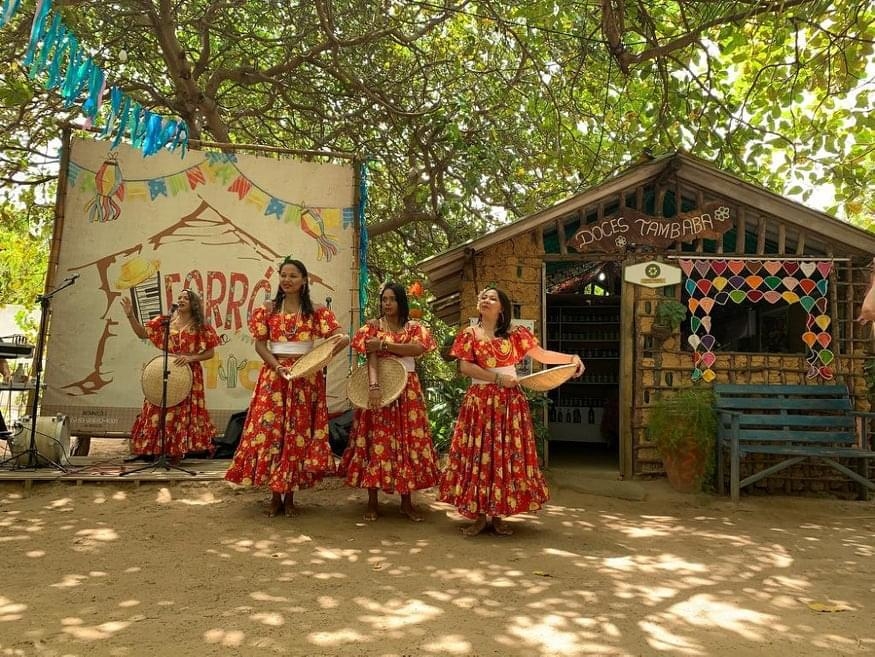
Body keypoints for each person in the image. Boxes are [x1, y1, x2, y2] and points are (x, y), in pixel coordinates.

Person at [438, 287, 585, 536]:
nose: (486, 300)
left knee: (503, 457)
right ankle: (479, 516)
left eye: (492, 298)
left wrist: (571, 358)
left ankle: (497, 516)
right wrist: (497, 379)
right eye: (483, 297)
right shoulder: (468, 334)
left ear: (502, 307)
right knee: (480, 455)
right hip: (480, 403)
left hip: (509, 404)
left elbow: (541, 354)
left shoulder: (516, 335)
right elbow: (465, 367)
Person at [225, 257, 349, 518]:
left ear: (304, 280)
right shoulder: (268, 310)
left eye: (293, 275)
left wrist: (321, 357)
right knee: (273, 435)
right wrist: (278, 367)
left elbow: (340, 336)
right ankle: (274, 496)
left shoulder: (316, 312)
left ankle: (289, 496)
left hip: (305, 380)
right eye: (284, 275)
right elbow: (260, 345)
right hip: (274, 379)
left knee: (297, 436)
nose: (287, 280)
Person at [339, 282, 440, 522]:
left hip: (408, 391)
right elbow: (371, 358)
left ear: (401, 301)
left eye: (392, 299)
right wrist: (373, 388)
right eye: (384, 299)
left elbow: (417, 349)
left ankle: (407, 503)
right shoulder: (372, 327)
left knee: (407, 443)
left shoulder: (414, 327)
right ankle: (372, 502)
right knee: (376, 441)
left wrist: (385, 345)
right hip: (381, 388)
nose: (387, 303)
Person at [120, 288, 219, 463]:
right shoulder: (166, 321)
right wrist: (130, 315)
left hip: (188, 373)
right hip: (165, 369)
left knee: (182, 411)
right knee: (156, 407)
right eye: (179, 297)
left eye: (185, 298)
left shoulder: (200, 325)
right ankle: (152, 449)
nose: (181, 300)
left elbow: (210, 353)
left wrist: (191, 357)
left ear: (193, 304)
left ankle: (175, 452)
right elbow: (142, 333)